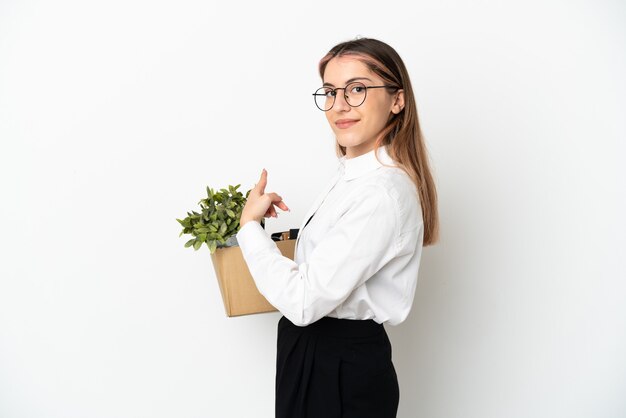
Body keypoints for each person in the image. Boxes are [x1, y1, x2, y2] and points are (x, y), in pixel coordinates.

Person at [236, 37, 439, 418]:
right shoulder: (352, 176)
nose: (339, 105)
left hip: (339, 368)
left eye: (357, 89)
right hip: (317, 356)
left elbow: (303, 300)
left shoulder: (381, 193)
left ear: (397, 100)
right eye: (330, 92)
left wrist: (249, 229)